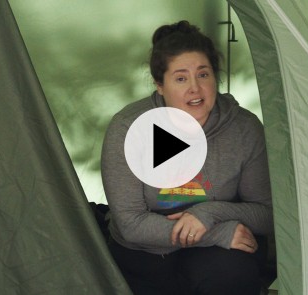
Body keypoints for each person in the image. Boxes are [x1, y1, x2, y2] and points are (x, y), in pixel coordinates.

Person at [101, 20, 273, 295]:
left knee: (232, 273)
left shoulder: (243, 128)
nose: (195, 88)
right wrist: (215, 232)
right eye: (181, 78)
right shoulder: (128, 127)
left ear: (215, 78)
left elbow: (267, 214)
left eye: (203, 75)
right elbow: (130, 223)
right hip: (146, 251)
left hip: (217, 254)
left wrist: (208, 214)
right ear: (160, 85)